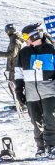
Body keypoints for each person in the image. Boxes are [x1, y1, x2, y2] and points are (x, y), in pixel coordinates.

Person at [16, 23, 55, 157]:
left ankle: (52, 146)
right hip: (32, 93)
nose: (24, 39)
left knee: (50, 118)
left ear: (34, 35)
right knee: (35, 120)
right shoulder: (24, 52)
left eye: (26, 36)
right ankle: (41, 147)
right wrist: (19, 91)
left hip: (49, 91)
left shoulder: (51, 49)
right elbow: (19, 73)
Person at [0, 24, 27, 111]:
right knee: (16, 85)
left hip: (15, 67)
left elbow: (12, 54)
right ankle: (20, 103)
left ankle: (21, 104)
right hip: (17, 66)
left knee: (13, 86)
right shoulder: (17, 38)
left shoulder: (15, 40)